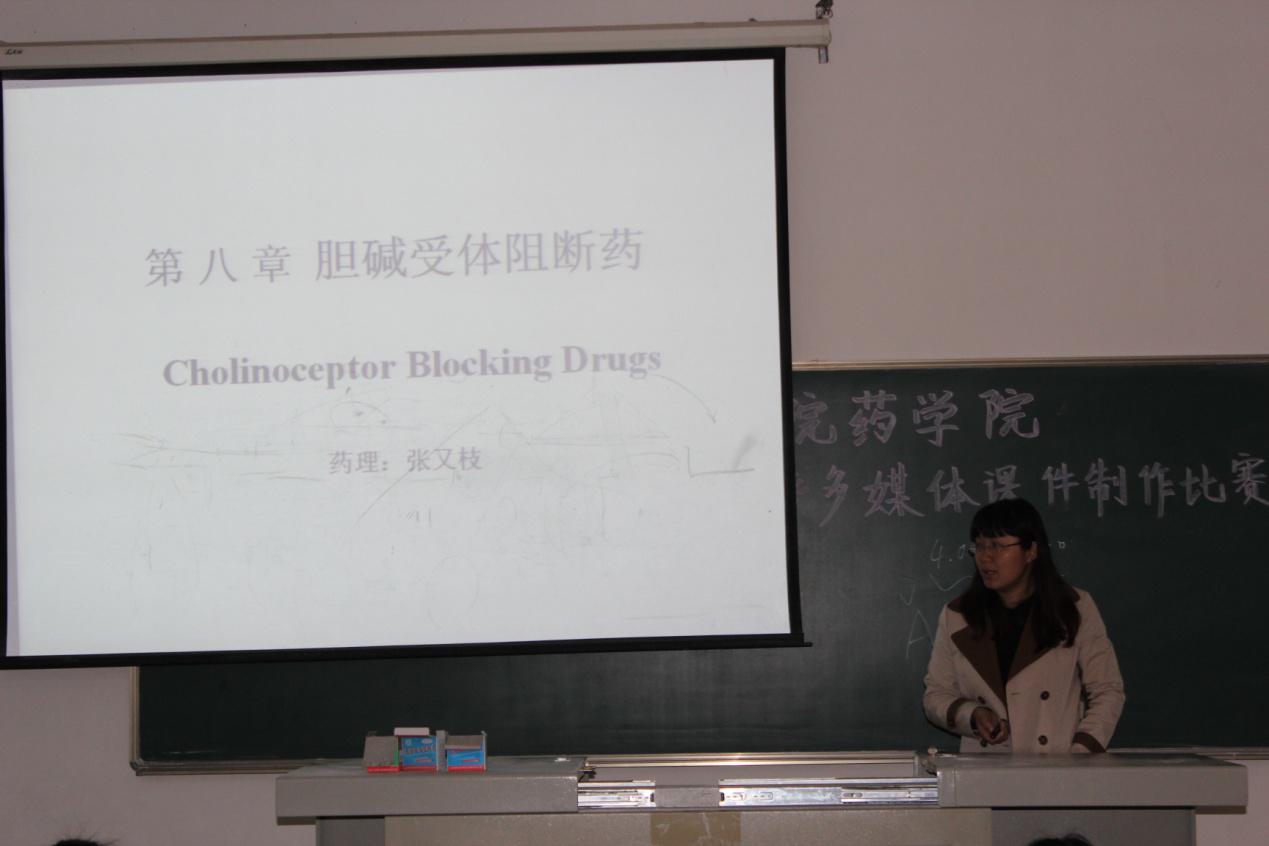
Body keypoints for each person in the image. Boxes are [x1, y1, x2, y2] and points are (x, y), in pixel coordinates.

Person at [923, 498, 1124, 753]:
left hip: (1057, 767)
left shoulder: (1073, 608)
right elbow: (935, 696)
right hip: (985, 770)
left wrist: (1080, 755)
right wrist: (972, 715)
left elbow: (1108, 691)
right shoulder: (958, 615)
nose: (985, 557)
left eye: (998, 546)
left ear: (1031, 551)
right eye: (980, 545)